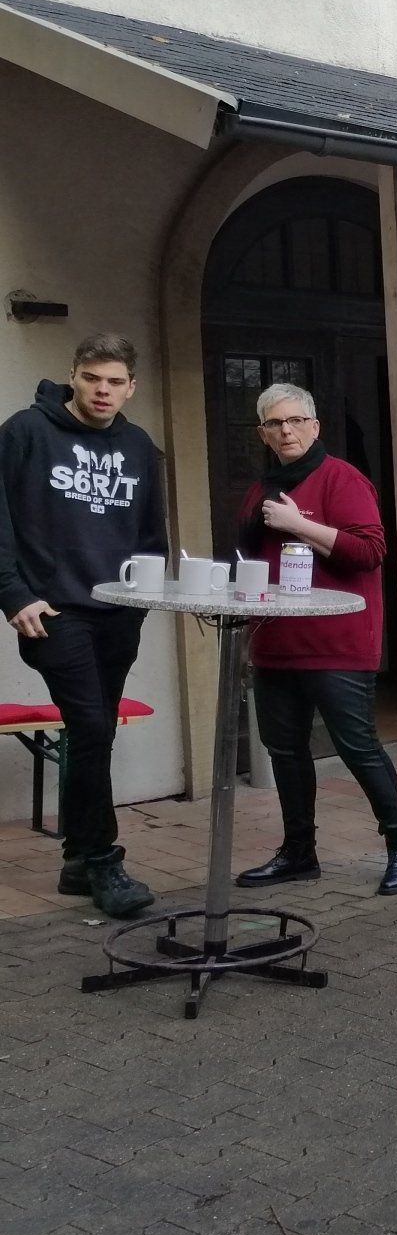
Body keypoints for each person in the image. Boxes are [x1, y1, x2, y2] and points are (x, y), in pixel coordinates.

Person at [0, 334, 168, 917]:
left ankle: (76, 860)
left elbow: (152, 532)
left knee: (95, 732)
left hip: (118, 611)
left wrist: (143, 598)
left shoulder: (138, 445)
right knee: (92, 727)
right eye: (92, 378)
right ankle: (103, 861)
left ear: (131, 387)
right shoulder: (26, 432)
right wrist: (13, 595)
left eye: (115, 381)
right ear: (73, 376)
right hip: (54, 611)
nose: (103, 390)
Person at [232, 383, 397, 896]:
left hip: (337, 643)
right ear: (263, 433)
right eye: (275, 423)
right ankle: (298, 853)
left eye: (296, 420)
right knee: (285, 752)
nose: (286, 430)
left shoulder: (342, 478)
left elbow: (370, 552)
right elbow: (250, 561)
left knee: (358, 748)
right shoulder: (260, 488)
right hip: (275, 642)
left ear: (314, 426)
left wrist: (297, 524)